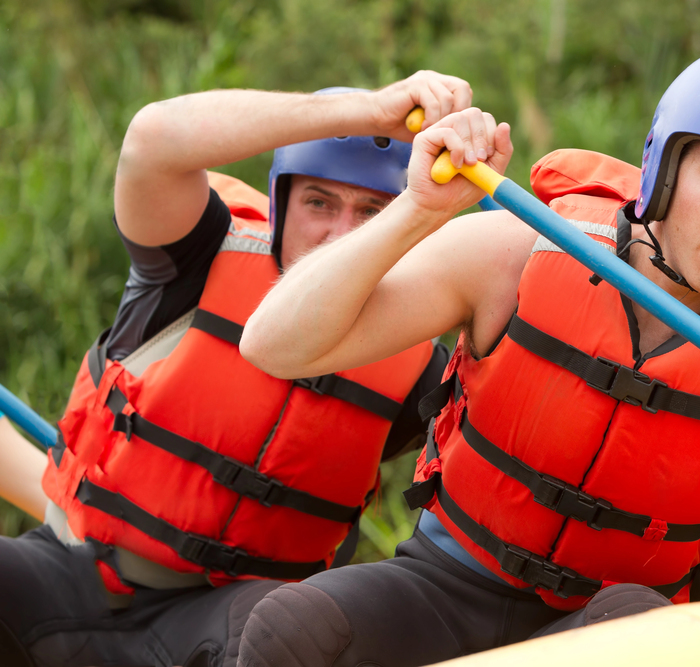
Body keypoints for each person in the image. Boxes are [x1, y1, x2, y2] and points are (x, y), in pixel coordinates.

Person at [231, 50, 700, 667]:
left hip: (609, 625)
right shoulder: (511, 256)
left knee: (636, 627)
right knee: (292, 627)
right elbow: (276, 344)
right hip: (444, 585)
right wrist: (419, 209)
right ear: (662, 168)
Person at [0, 71, 474, 667]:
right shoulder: (190, 260)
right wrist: (369, 111)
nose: (337, 234)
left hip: (229, 620)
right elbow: (152, 138)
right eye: (318, 203)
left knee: (284, 627)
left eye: (372, 212)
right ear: (280, 204)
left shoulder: (420, 365)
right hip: (72, 572)